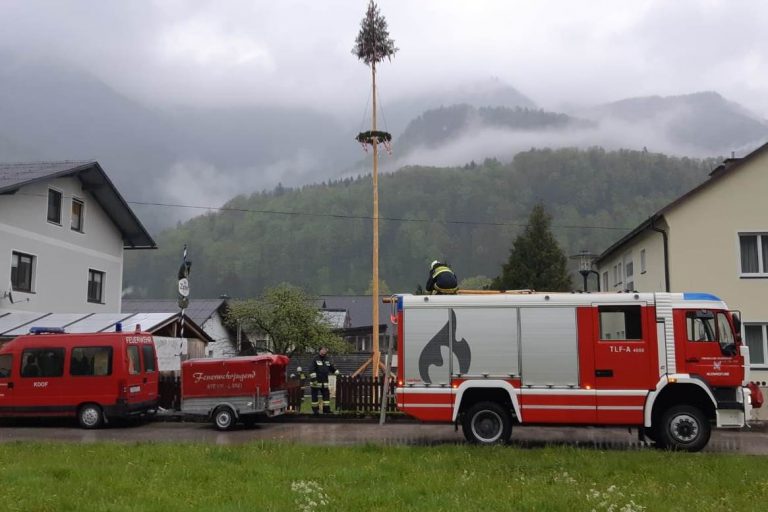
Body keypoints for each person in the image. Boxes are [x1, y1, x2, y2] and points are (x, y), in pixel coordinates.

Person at [309, 347, 340, 415]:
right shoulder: (315, 359)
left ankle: (326, 410)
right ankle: (315, 411)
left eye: (325, 350)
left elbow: (331, 367)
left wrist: (336, 372)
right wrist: (314, 379)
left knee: (326, 396)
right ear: (319, 350)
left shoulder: (327, 359)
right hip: (316, 382)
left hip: (324, 382)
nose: (324, 351)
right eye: (323, 349)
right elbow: (311, 369)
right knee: (315, 397)